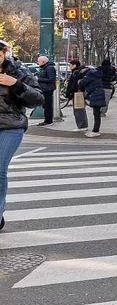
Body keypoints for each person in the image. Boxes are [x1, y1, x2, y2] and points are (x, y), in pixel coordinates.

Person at [1, 38, 43, 231]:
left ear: (4, 52)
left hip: (10, 126)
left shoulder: (18, 71)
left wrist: (16, 84)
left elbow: (38, 99)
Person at [71, 58, 107, 137]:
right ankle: (95, 129)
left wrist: (78, 79)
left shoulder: (89, 74)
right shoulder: (94, 73)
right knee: (96, 113)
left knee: (96, 113)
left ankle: (96, 130)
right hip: (97, 93)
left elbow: (81, 83)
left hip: (95, 94)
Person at [35, 55, 57, 127]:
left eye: (39, 61)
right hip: (45, 89)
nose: (38, 63)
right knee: (46, 105)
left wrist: (39, 79)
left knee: (48, 105)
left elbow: (51, 79)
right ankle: (47, 120)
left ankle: (48, 121)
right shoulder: (46, 68)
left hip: (47, 89)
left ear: (43, 61)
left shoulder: (49, 68)